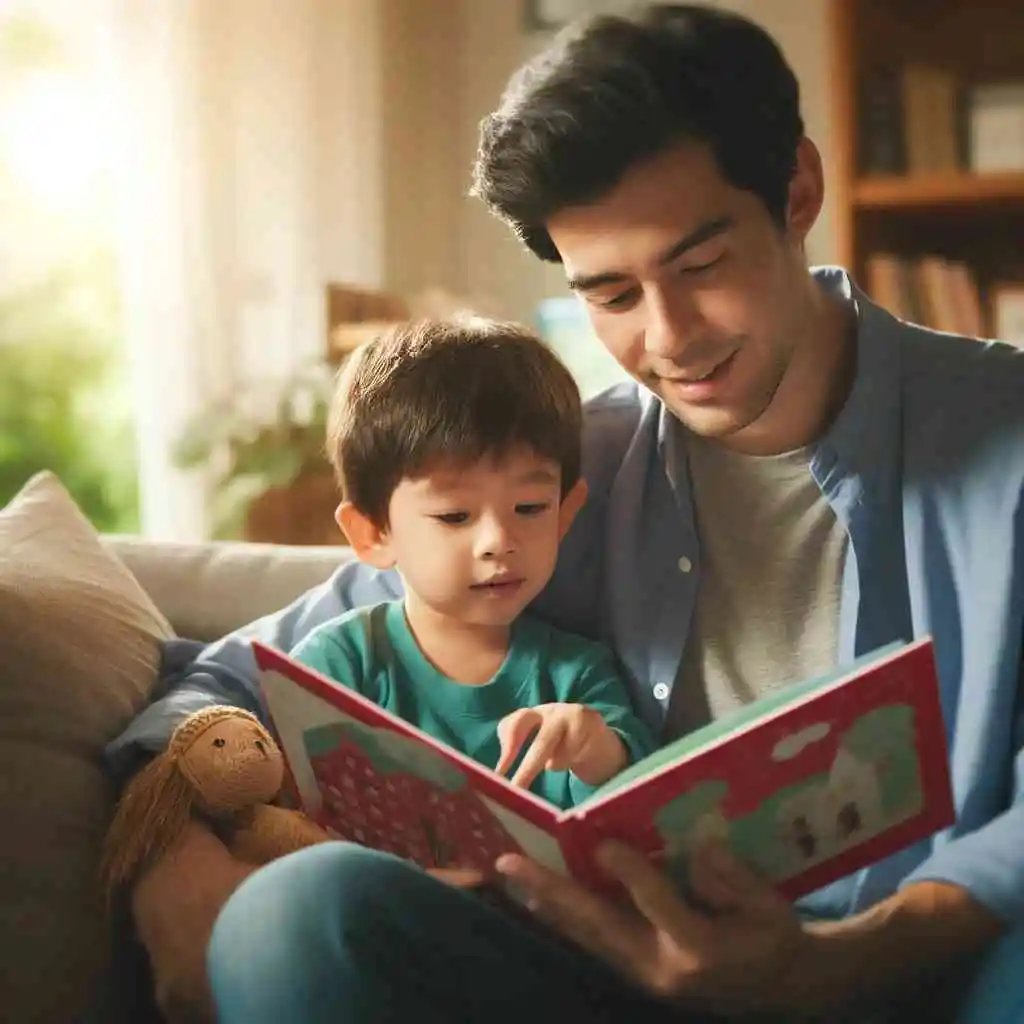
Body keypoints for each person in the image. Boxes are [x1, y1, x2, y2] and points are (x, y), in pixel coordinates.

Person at [104, 4, 1024, 1023]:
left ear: (797, 189)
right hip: (608, 984)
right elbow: (218, 683)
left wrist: (842, 958)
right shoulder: (548, 478)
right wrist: (169, 864)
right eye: (612, 295)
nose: (669, 338)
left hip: (920, 973)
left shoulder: (1003, 435)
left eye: (700, 265)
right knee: (296, 908)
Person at [288, 317, 654, 809]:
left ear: (566, 514)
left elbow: (636, 810)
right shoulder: (338, 666)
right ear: (374, 533)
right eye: (454, 516)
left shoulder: (577, 675)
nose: (498, 542)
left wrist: (597, 753)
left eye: (529, 509)